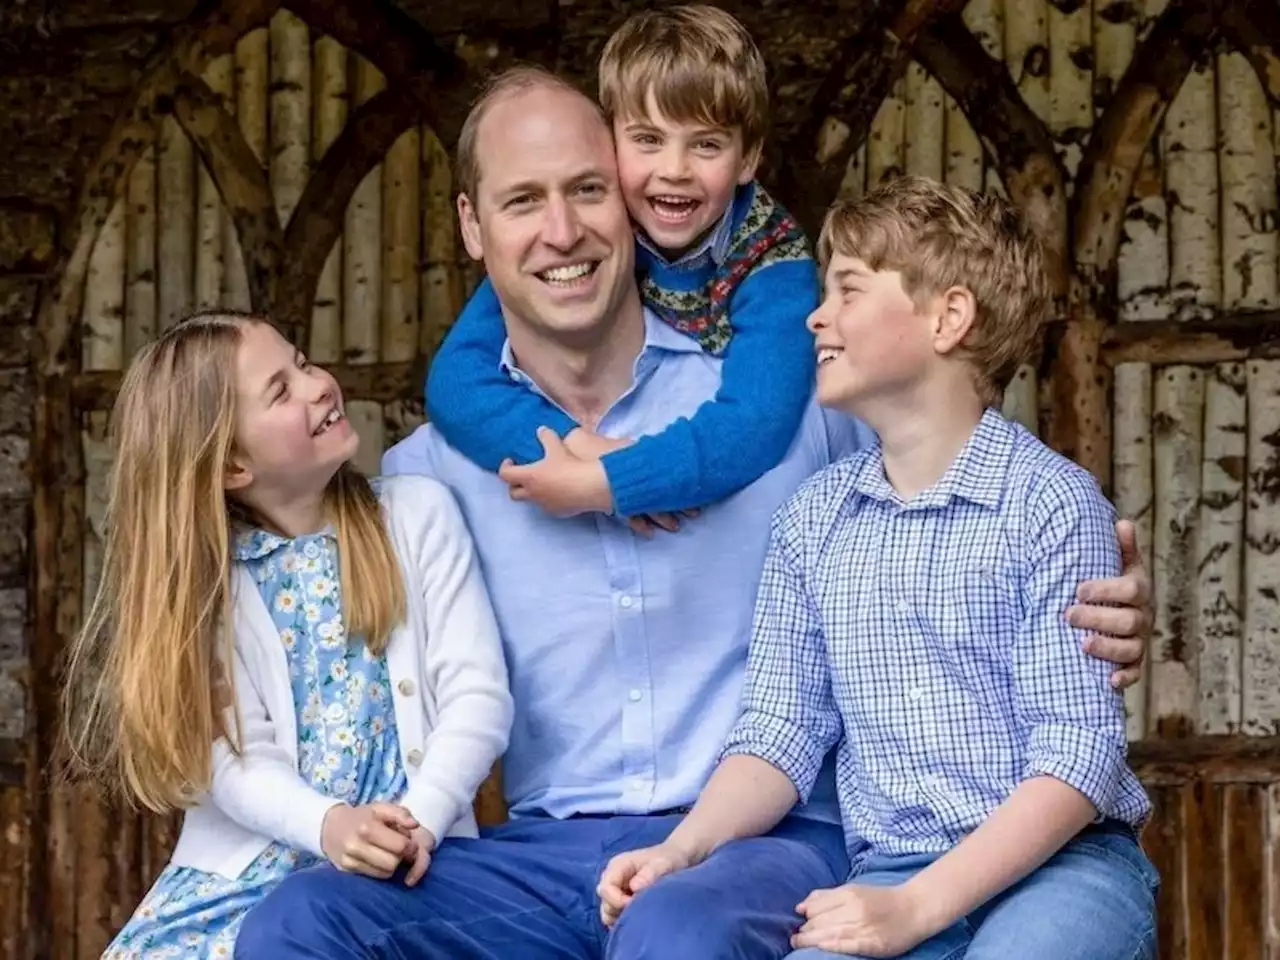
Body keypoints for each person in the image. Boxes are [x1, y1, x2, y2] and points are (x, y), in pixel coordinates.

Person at [233, 72, 1152, 960]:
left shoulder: (787, 412)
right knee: (304, 921)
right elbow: (279, 581)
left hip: (767, 842)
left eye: (588, 190)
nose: (562, 231)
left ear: (631, 205)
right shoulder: (429, 476)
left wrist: (1097, 588)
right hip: (547, 856)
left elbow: (950, 480)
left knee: (677, 930)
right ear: (473, 226)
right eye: (521, 203)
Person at [597, 177, 1159, 959]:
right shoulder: (814, 519)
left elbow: (1079, 755)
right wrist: (679, 851)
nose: (816, 315)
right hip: (890, 868)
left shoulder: (1050, 504)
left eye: (848, 291)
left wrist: (916, 910)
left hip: (1062, 869)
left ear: (948, 317)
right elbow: (780, 731)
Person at [59, 310, 513, 957]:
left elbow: (478, 696)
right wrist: (327, 826)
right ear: (233, 466)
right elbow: (235, 758)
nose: (319, 384)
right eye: (281, 390)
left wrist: (423, 821)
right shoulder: (208, 589)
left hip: (412, 863)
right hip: (244, 882)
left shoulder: (416, 516)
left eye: (302, 363)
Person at [424, 4, 818, 527]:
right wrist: (572, 448)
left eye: (705, 144)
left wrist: (617, 482)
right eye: (648, 140)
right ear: (610, 143)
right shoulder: (605, 228)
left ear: (747, 160)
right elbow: (454, 383)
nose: (673, 171)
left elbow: (758, 422)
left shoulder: (775, 263)